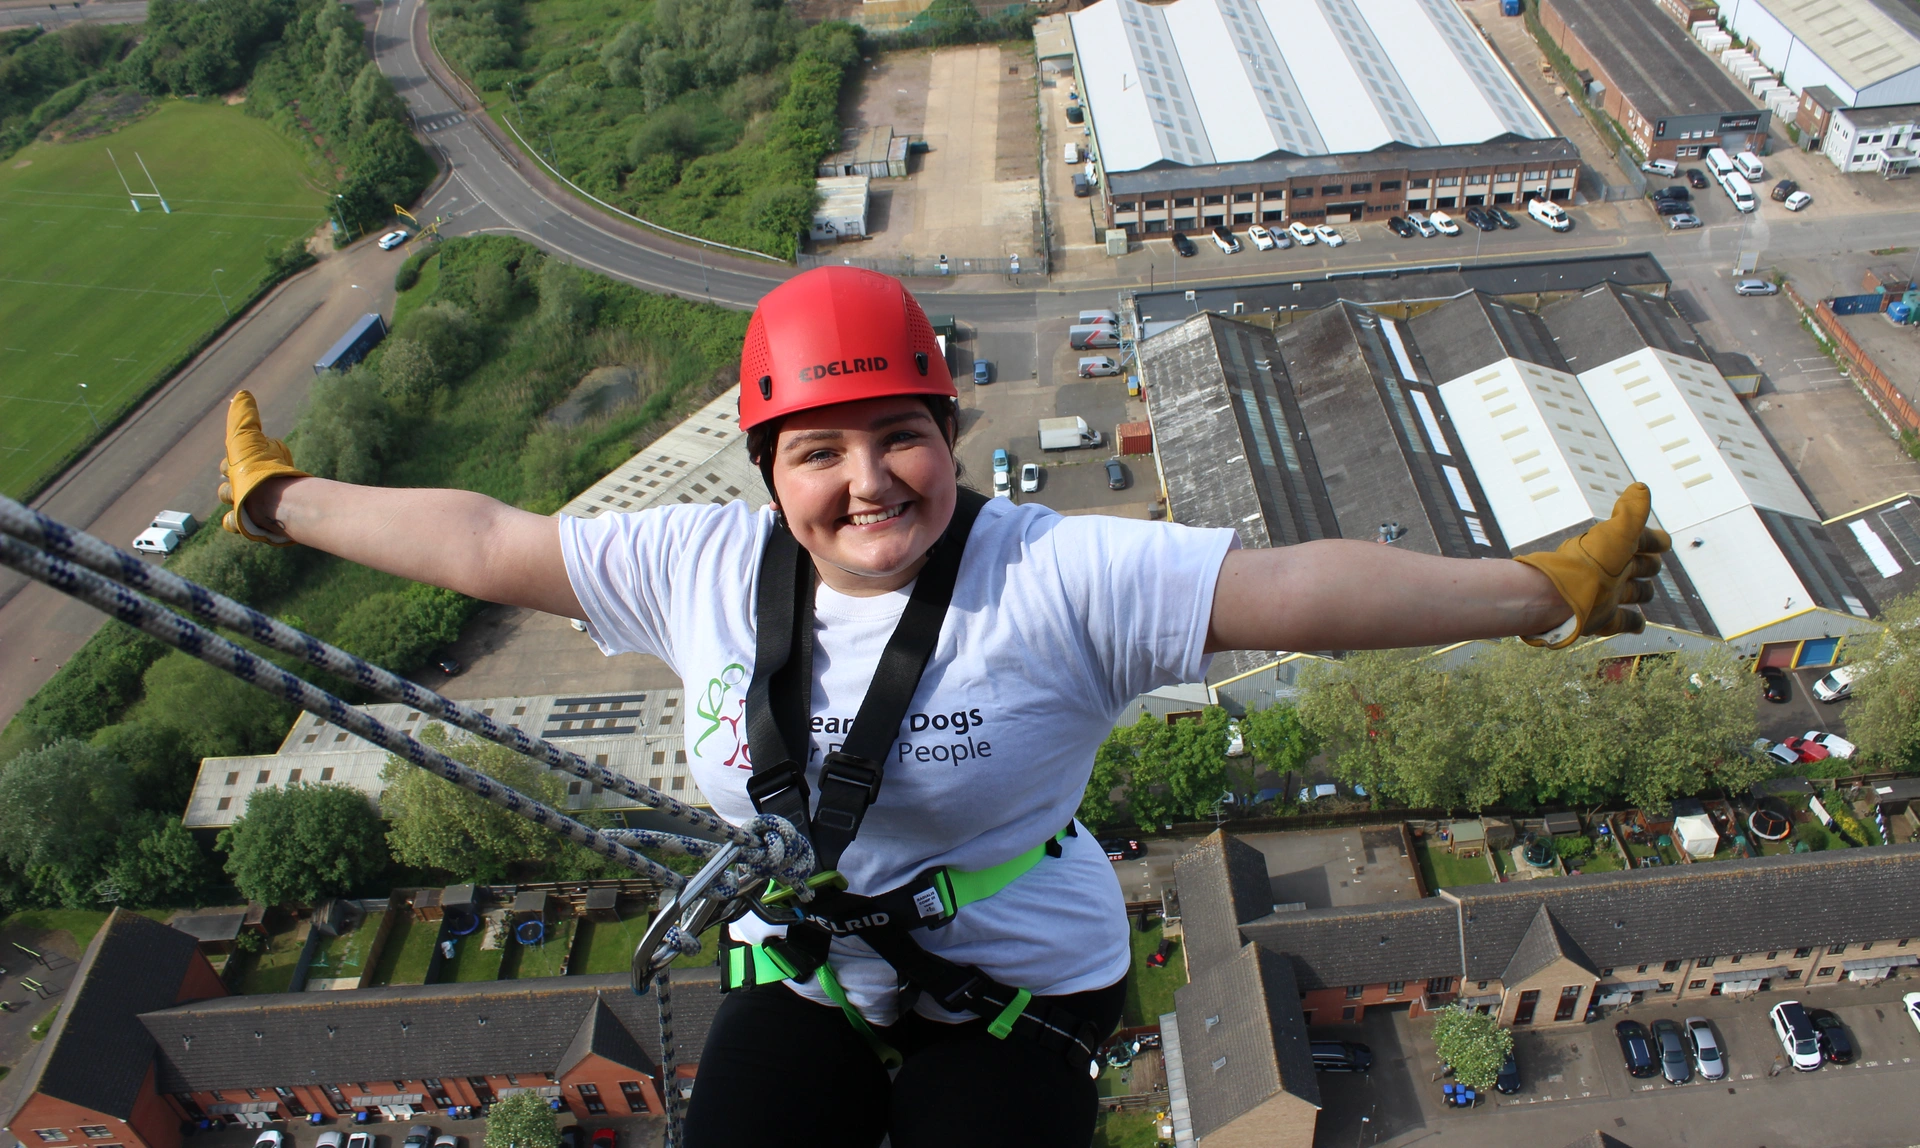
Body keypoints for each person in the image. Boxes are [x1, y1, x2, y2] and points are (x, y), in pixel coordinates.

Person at [217, 266, 1667, 1148]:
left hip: (1017, 978)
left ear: (947, 436)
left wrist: (1537, 591)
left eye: (898, 438)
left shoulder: (1055, 574)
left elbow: (1296, 591)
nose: (866, 483)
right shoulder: (694, 568)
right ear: (765, 469)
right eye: (820, 451)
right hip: (800, 968)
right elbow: (483, 542)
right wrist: (284, 502)